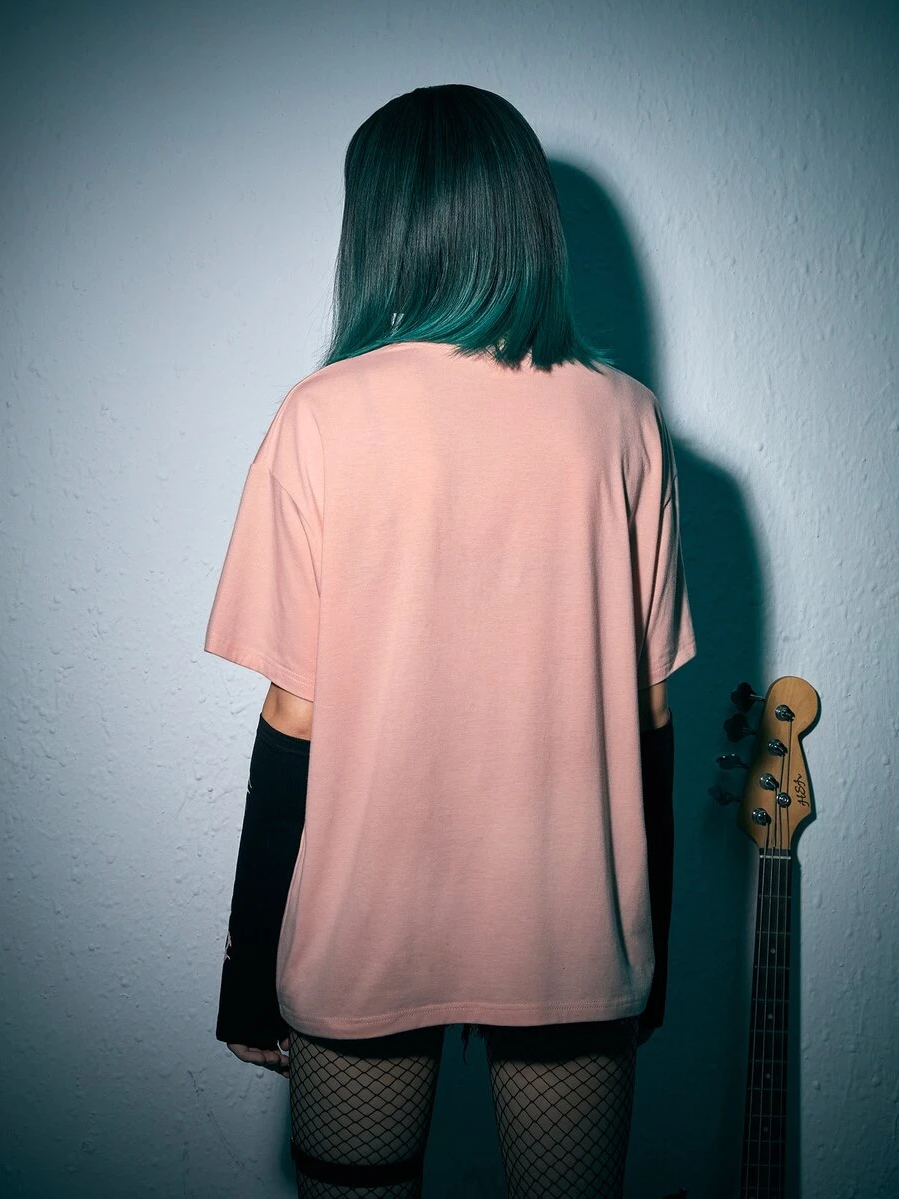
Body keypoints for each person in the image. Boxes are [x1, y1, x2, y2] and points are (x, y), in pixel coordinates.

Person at [204, 83, 697, 1199]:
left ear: (381, 223)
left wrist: (247, 975)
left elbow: (294, 718)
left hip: (365, 928)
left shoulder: (321, 413)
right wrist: (648, 960)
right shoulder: (625, 419)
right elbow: (651, 714)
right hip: (573, 931)